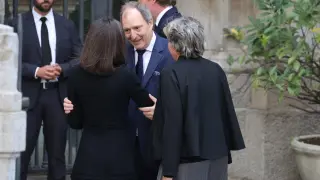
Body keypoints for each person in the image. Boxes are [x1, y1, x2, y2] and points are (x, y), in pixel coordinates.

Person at [64, 2, 174, 180]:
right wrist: (71, 106)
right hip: (122, 152)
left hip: (152, 145)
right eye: (127, 30)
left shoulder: (171, 53)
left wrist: (161, 111)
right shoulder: (118, 54)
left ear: (150, 23)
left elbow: (183, 99)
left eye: (137, 28)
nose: (133, 35)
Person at [153, 16, 246, 180]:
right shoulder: (215, 70)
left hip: (187, 162)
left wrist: (168, 172)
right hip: (218, 157)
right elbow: (225, 114)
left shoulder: (171, 73)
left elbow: (172, 124)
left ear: (175, 45)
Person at [8, 0, 82, 179]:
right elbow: (8, 59)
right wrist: (36, 71)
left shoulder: (66, 25)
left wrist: (62, 69)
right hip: (27, 98)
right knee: (21, 156)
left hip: (57, 96)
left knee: (57, 157)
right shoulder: (16, 23)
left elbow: (80, 57)